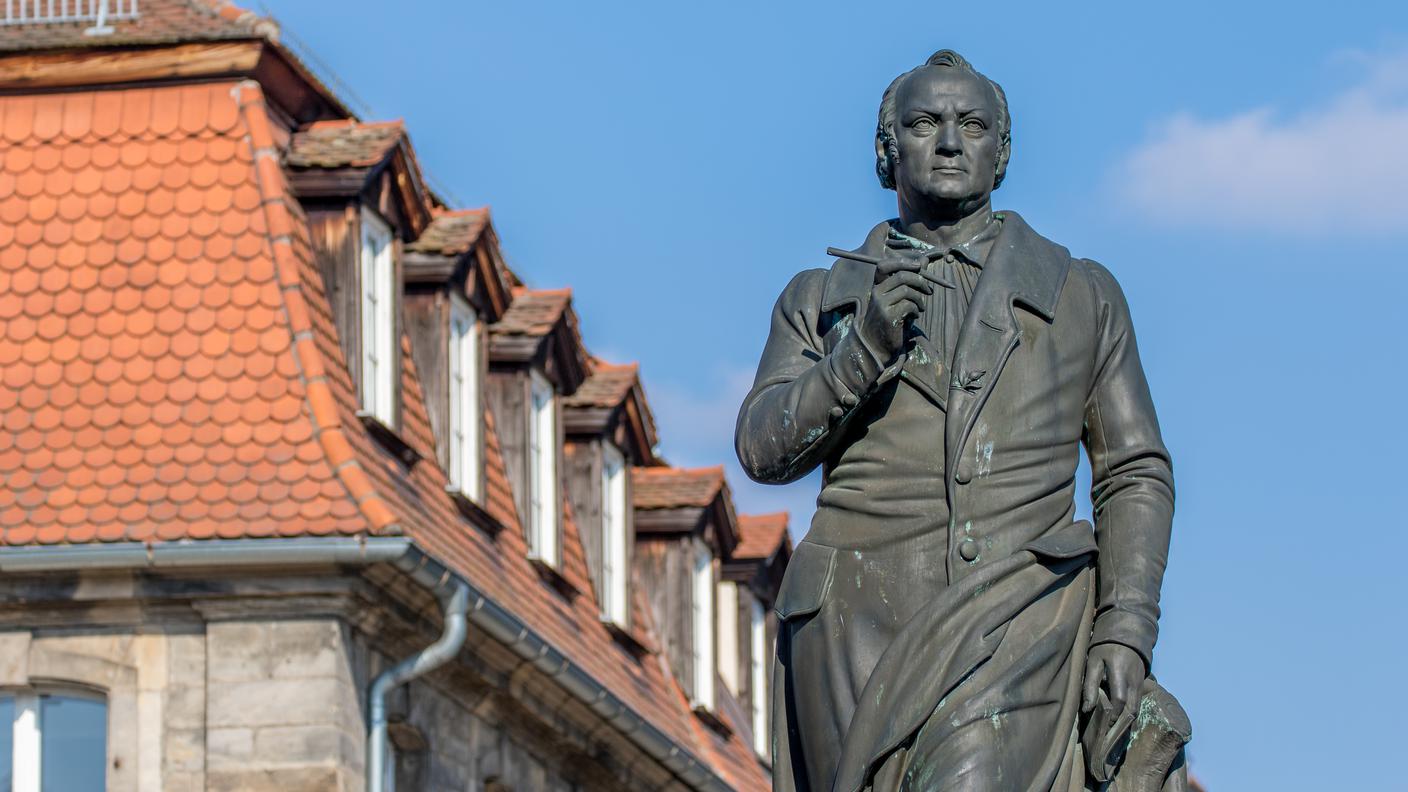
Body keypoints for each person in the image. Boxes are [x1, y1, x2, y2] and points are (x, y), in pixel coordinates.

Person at [736, 50, 1188, 791]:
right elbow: (762, 447)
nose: (950, 141)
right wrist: (862, 353)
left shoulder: (1081, 294)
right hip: (853, 624)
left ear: (1001, 153)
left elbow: (1134, 470)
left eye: (973, 125)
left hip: (1018, 619)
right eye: (924, 123)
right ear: (887, 153)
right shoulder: (822, 297)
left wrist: (1126, 628)